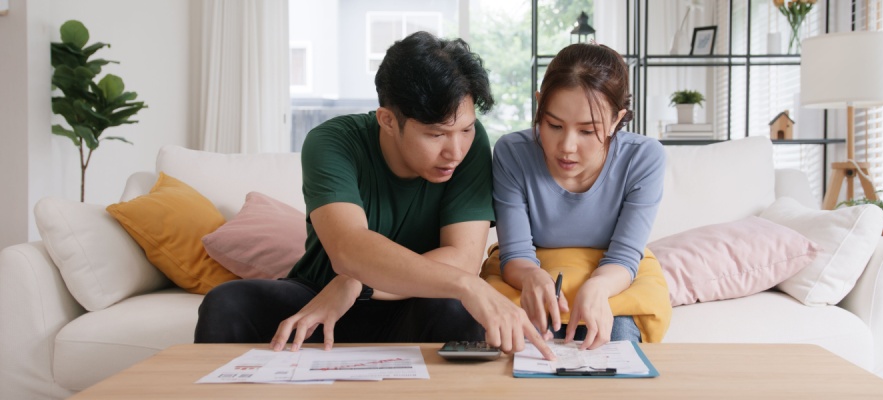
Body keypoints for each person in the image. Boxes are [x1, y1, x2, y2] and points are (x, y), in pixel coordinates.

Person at [195, 31, 554, 359]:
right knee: (226, 302)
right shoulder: (332, 142)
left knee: (453, 307)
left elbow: (462, 257)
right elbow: (349, 248)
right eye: (436, 135)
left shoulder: (471, 147)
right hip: (319, 295)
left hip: (408, 300)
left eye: (466, 129)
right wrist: (464, 285)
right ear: (386, 120)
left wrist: (357, 284)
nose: (455, 151)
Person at [483, 42, 672, 350]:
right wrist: (533, 277)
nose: (567, 146)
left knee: (616, 340)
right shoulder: (512, 153)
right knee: (520, 344)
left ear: (615, 120)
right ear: (539, 105)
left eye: (587, 131)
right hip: (530, 273)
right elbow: (515, 254)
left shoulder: (643, 157)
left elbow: (624, 257)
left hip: (614, 277)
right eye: (554, 125)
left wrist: (597, 286)